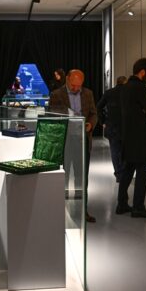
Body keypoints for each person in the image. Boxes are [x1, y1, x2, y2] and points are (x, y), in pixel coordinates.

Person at [49, 69, 98, 222]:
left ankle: (82, 211)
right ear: (67, 80)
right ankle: (59, 211)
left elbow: (93, 113)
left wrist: (91, 124)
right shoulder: (57, 95)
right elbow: (52, 115)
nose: (76, 88)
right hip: (65, 141)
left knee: (81, 178)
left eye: (79, 86)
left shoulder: (88, 93)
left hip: (82, 141)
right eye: (73, 85)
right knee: (62, 177)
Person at [117, 58, 146, 218]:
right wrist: (145, 111)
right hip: (141, 138)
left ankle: (121, 204)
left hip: (128, 136)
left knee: (127, 171)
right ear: (142, 71)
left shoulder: (126, 87)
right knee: (142, 173)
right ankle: (138, 207)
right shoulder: (140, 87)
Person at [96, 76, 127, 182]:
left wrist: (103, 121)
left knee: (114, 151)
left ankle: (118, 174)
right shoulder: (128, 92)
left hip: (112, 127)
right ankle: (124, 173)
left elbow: (99, 106)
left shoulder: (109, 93)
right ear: (125, 82)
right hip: (126, 127)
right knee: (125, 151)